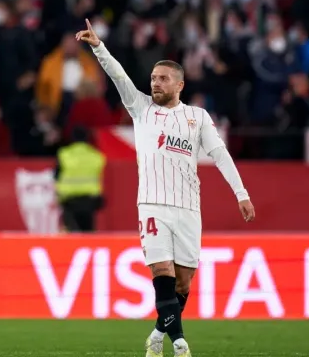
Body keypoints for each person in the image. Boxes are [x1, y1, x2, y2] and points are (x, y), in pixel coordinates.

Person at [76, 19, 255, 357]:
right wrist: (99, 47)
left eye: (162, 78)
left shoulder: (197, 118)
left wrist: (241, 194)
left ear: (179, 84)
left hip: (189, 207)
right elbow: (118, 76)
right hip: (153, 204)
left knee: (184, 282)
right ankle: (181, 344)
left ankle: (158, 333)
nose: (155, 83)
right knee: (162, 271)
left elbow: (220, 155)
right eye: (153, 78)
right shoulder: (141, 109)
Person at [54, 127, 106, 232]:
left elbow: (56, 175)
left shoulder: (64, 154)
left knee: (71, 231)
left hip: (69, 200)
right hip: (89, 200)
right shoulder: (96, 156)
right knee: (88, 232)